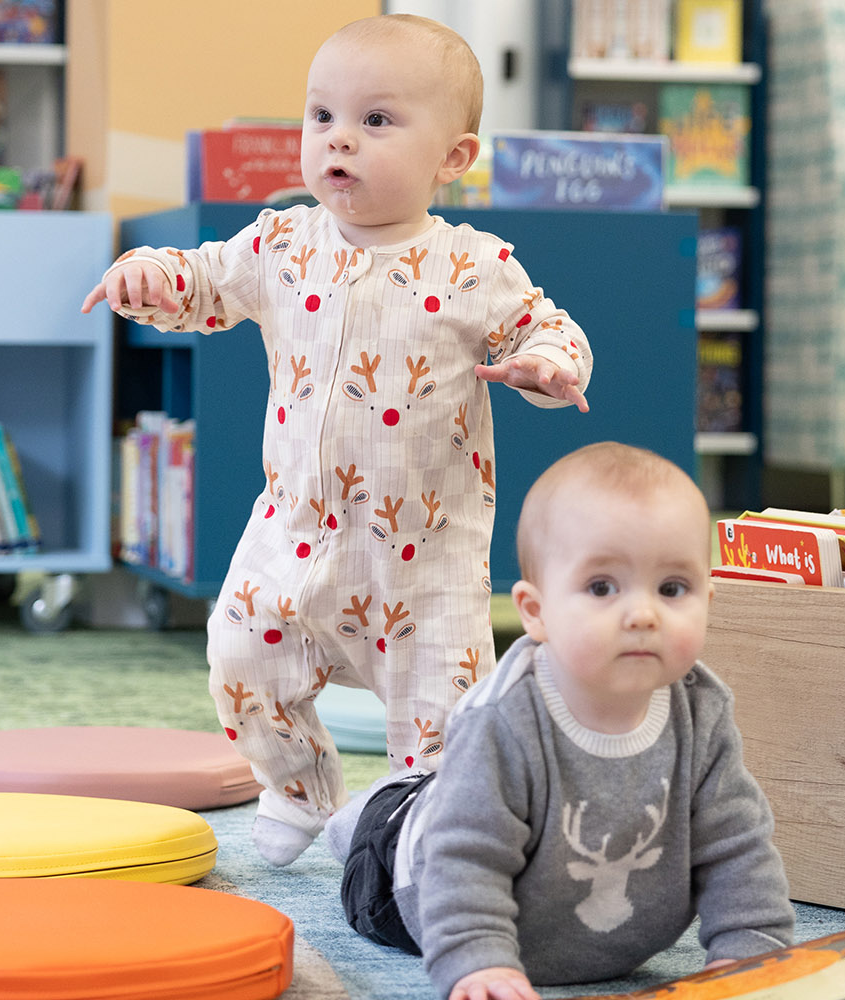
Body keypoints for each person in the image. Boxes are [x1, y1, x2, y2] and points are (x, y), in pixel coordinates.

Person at [81, 14, 593, 866]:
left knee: (441, 723)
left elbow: (549, 328)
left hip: (423, 557)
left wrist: (548, 364)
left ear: (453, 158)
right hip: (292, 533)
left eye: (376, 120)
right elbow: (205, 280)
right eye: (321, 116)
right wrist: (151, 275)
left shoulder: (473, 265)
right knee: (239, 658)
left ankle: (423, 836)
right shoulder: (283, 242)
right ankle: (299, 787)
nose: (338, 140)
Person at [326, 442, 794, 1000]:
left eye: (672, 589)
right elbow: (465, 857)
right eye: (602, 587)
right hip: (410, 886)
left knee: (463, 792)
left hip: (595, 928)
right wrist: (478, 961)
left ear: (708, 600)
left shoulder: (702, 713)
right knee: (416, 816)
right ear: (536, 611)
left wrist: (751, 946)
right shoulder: (503, 719)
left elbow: (737, 845)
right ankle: (368, 812)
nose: (643, 614)